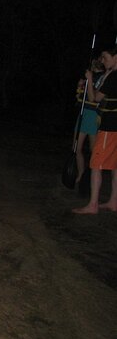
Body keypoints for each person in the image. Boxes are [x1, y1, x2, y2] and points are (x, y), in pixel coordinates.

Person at [73, 47, 117, 214]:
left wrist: (90, 79)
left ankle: (92, 205)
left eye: (105, 57)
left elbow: (94, 98)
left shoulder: (113, 77)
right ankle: (113, 201)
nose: (103, 61)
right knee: (114, 166)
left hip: (110, 127)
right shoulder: (111, 75)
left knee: (96, 164)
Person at [74, 58, 105, 185]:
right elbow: (79, 96)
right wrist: (80, 86)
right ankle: (80, 174)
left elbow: (95, 98)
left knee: (94, 151)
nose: (94, 63)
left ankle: (91, 178)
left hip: (93, 115)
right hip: (83, 113)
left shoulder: (103, 78)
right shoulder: (88, 76)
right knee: (76, 148)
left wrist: (90, 81)